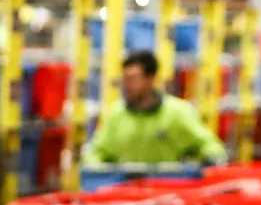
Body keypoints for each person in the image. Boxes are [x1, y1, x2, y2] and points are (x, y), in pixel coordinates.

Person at [82, 50, 227, 166]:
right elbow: (96, 152)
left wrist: (212, 160)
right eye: (124, 79)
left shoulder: (177, 113)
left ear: (151, 78)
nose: (127, 85)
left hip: (167, 193)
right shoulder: (117, 114)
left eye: (133, 79)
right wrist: (94, 167)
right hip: (123, 193)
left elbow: (209, 146)